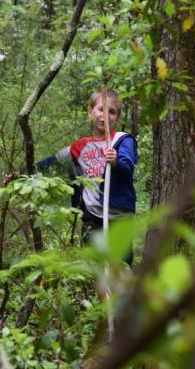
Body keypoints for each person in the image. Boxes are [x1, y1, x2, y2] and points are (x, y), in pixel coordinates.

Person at [35, 89, 137, 263]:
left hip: (120, 220)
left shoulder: (122, 140)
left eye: (112, 112)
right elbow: (51, 163)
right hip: (93, 219)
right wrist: (19, 174)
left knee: (120, 269)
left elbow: (127, 166)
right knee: (94, 269)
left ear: (117, 117)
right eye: (101, 109)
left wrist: (116, 162)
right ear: (90, 111)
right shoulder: (79, 146)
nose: (105, 116)